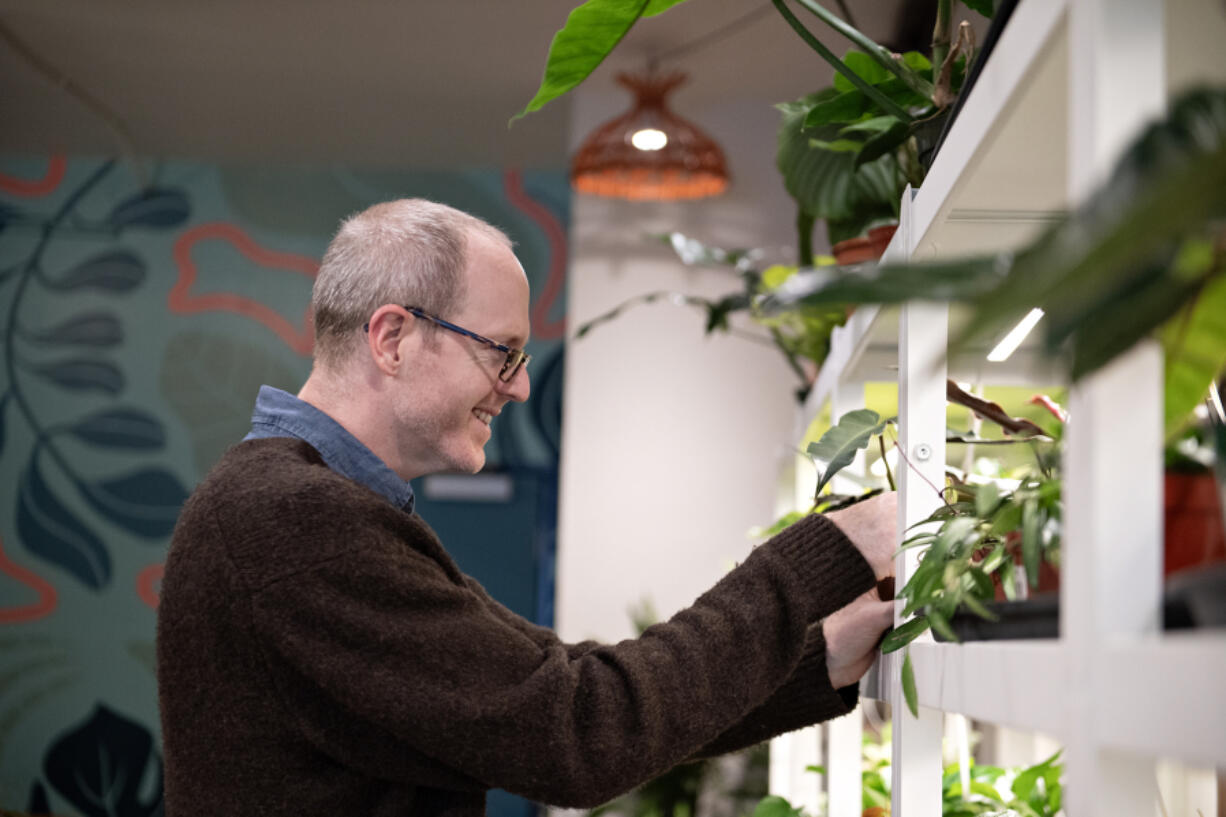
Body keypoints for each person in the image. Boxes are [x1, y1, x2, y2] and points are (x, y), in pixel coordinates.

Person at [156, 199, 898, 817]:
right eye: (501, 350)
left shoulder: (302, 506)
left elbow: (557, 688)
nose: (518, 387)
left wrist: (814, 663)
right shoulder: (291, 520)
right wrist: (831, 549)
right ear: (392, 338)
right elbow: (578, 730)